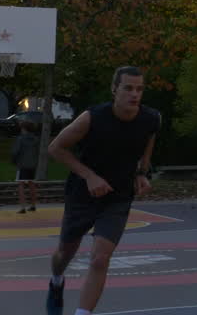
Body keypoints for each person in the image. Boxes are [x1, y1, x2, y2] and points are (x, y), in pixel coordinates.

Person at [45, 66, 160, 315]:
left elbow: (147, 147)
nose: (134, 94)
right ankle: (56, 281)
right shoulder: (92, 117)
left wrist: (142, 173)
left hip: (117, 197)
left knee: (100, 258)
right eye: (128, 88)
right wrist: (89, 176)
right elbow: (55, 148)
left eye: (139, 89)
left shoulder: (150, 119)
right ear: (114, 89)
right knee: (65, 253)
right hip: (82, 195)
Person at [11, 118, 41, 213]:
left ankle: (22, 207)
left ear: (24, 129)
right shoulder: (36, 139)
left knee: (21, 185)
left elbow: (16, 151)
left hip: (22, 164)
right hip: (33, 164)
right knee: (32, 184)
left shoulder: (20, 139)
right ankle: (33, 205)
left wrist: (14, 161)